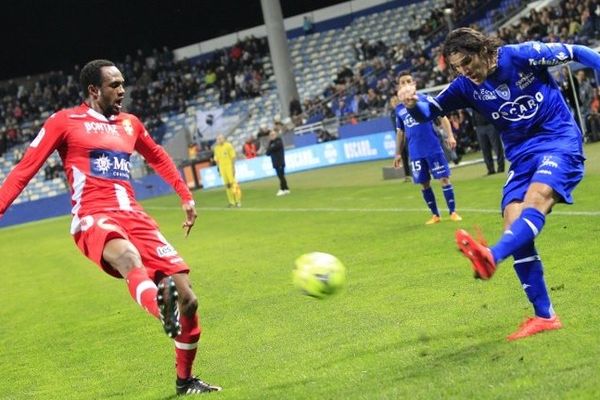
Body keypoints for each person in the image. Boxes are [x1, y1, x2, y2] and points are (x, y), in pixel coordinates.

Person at [0, 59, 221, 394]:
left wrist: (185, 196)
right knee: (129, 257)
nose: (122, 90)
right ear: (93, 90)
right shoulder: (64, 121)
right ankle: (162, 311)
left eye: (122, 83)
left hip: (135, 215)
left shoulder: (130, 124)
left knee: (188, 299)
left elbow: (158, 156)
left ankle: (185, 380)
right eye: (114, 85)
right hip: (93, 216)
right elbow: (25, 168)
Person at [398, 27, 598, 340]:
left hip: (558, 142)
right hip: (520, 157)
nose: (464, 71)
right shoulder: (465, 85)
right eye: (457, 67)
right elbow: (430, 111)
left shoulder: (522, 56)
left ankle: (491, 256)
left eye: (467, 62)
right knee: (513, 221)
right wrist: (412, 104)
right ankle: (545, 316)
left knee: (537, 197)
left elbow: (579, 53)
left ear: (482, 50)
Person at [394, 71, 462, 225]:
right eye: (402, 82)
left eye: (408, 81)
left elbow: (442, 116)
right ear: (399, 86)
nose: (406, 85)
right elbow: (400, 132)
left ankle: (453, 212)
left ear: (414, 84)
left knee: (444, 178)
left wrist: (449, 136)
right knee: (424, 183)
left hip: (432, 147)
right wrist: (398, 153)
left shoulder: (425, 99)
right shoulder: (399, 109)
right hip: (415, 152)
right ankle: (435, 215)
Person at [471, 109, 505, 175]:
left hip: (490, 124)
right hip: (479, 126)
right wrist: (474, 124)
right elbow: (473, 113)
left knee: (497, 147)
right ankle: (490, 169)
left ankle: (501, 168)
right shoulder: (474, 101)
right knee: (485, 149)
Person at [213, 134, 242, 207]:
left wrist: (233, 168)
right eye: (218, 139)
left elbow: (233, 157)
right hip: (222, 168)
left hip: (229, 167)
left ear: (223, 139)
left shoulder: (228, 146)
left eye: (220, 138)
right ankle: (231, 202)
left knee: (233, 184)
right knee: (227, 185)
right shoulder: (216, 148)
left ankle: (238, 201)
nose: (219, 140)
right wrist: (218, 169)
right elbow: (217, 159)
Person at [389, 95, 411, 182]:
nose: (393, 103)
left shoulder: (402, 110)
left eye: (395, 101)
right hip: (400, 136)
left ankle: (422, 171)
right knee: (403, 156)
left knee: (413, 154)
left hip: (408, 135)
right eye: (392, 102)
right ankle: (407, 176)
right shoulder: (392, 113)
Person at [265, 130, 290, 196]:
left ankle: (282, 189)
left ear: (276, 135)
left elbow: (274, 148)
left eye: (273, 135)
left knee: (281, 176)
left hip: (280, 161)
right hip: (275, 162)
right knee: (281, 176)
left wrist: (270, 148)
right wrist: (270, 147)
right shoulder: (271, 143)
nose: (272, 136)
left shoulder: (279, 141)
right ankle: (286, 189)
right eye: (271, 135)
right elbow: (267, 153)